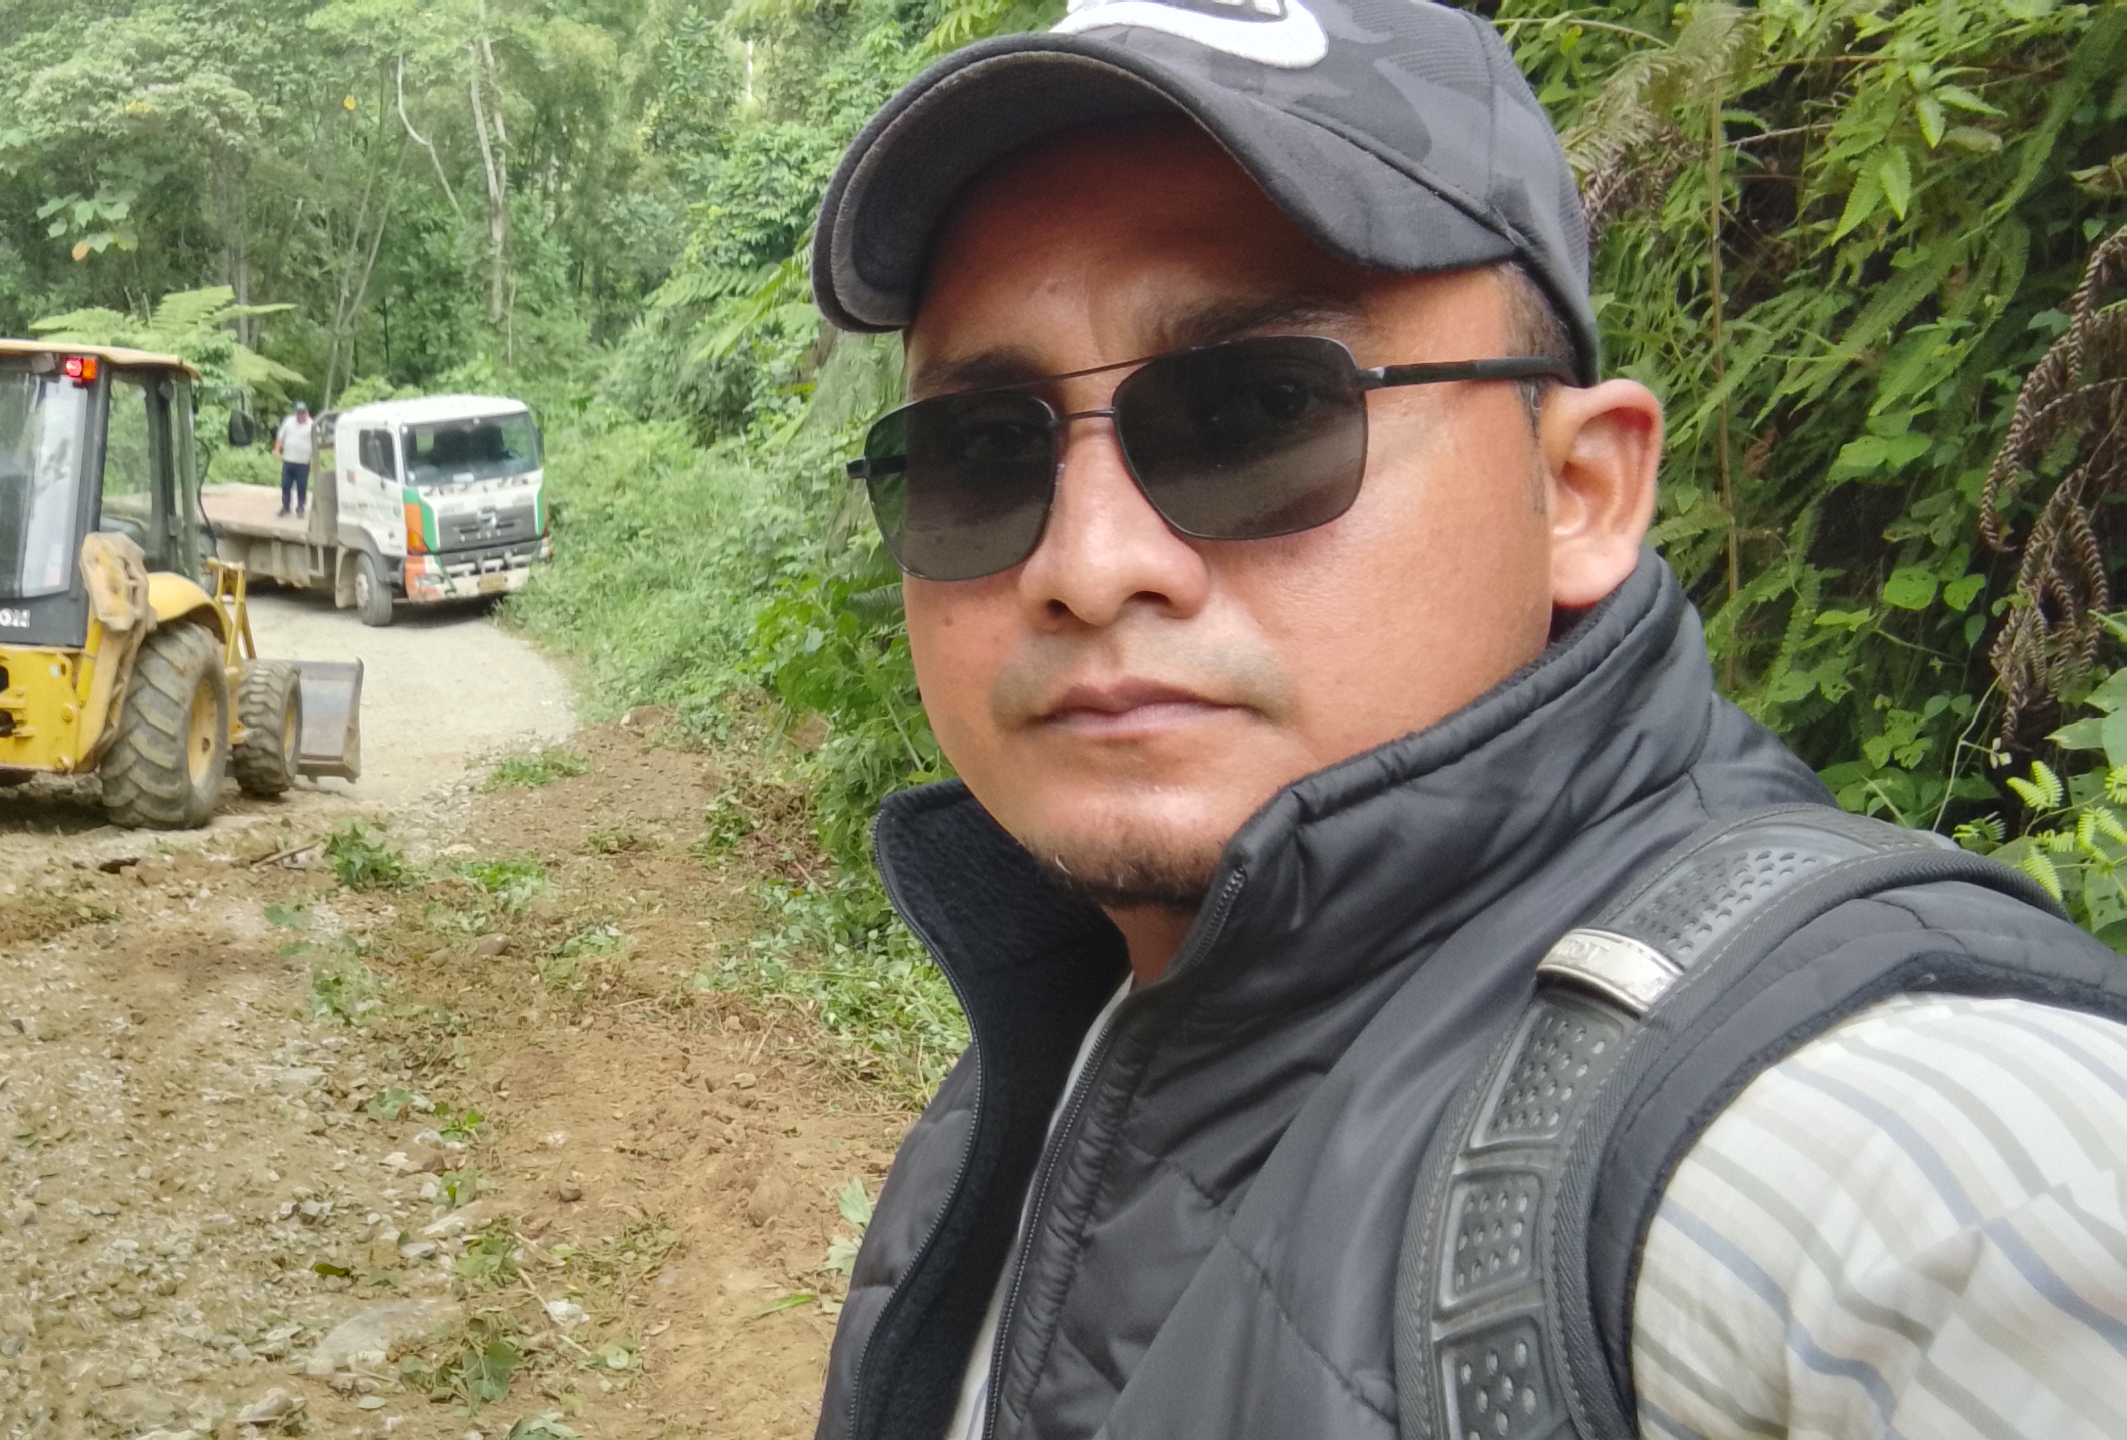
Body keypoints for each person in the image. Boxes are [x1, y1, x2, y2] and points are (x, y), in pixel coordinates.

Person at [804, 3, 2127, 1439]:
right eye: (983, 449)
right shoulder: (1077, 1025)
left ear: (1579, 491)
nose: (1088, 563)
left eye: (1257, 412)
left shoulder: (1921, 1182)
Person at [275, 402, 315, 516]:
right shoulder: (288, 422)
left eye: (303, 413)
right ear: (295, 413)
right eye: (299, 413)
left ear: (306, 413)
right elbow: (280, 437)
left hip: (303, 462)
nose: (300, 415)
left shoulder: (311, 424)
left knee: (302, 486)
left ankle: (300, 507)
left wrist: (314, 459)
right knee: (285, 485)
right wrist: (277, 449)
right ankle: (285, 507)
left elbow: (316, 442)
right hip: (288, 460)